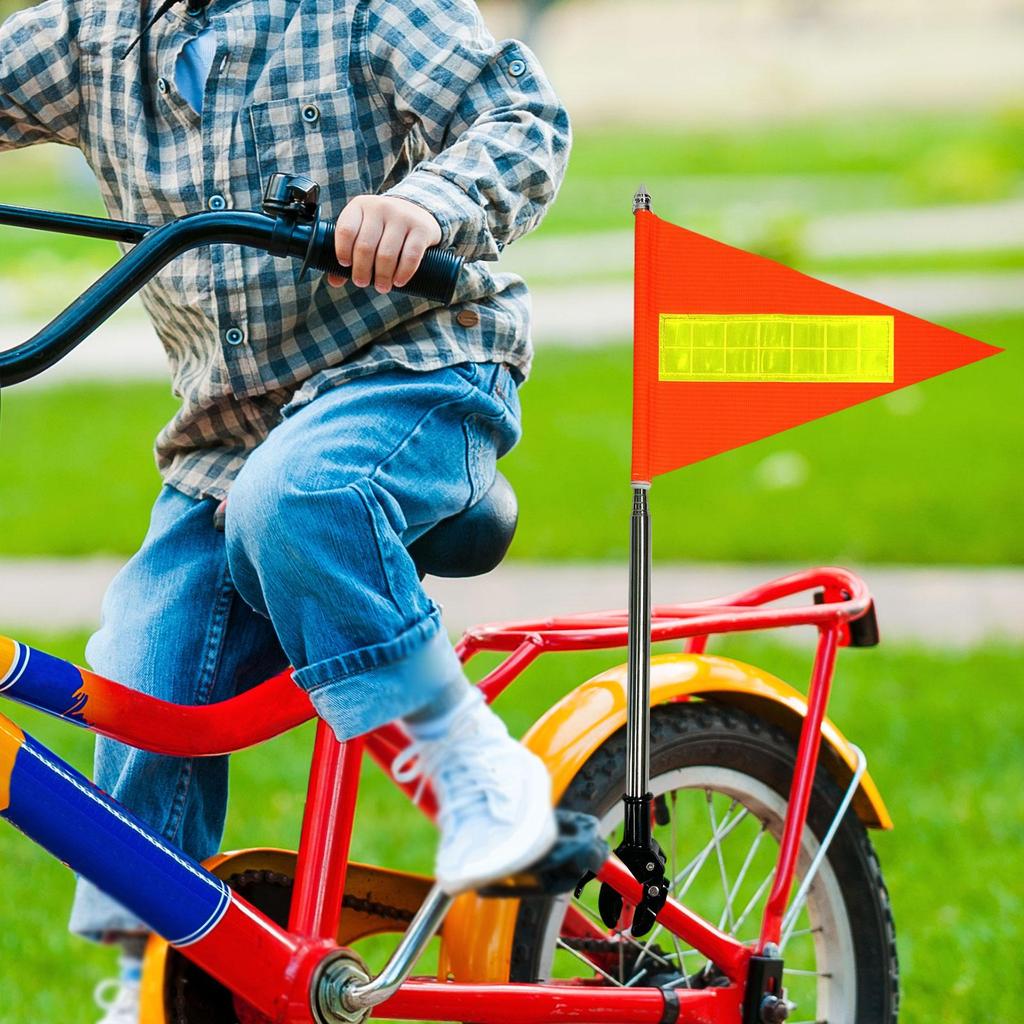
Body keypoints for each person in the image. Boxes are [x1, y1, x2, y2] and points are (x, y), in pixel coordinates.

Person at [0, 0, 571, 1018]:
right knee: (139, 668)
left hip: (411, 373)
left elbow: (521, 117)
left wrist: (429, 202)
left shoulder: (362, 10)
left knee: (298, 498)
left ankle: (474, 768)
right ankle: (152, 977)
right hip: (223, 444)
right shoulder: (93, 36)